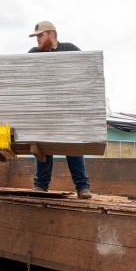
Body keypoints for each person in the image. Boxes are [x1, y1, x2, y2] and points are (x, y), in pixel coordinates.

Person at [27, 21, 92, 199]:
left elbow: (86, 69)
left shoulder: (69, 49)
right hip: (44, 110)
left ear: (52, 35)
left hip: (67, 109)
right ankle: (41, 185)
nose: (37, 40)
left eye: (40, 36)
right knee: (43, 147)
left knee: (72, 146)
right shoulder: (33, 55)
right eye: (36, 37)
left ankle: (82, 186)